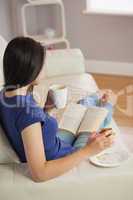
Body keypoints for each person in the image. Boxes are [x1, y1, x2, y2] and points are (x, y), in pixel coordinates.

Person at [0, 37, 114, 182]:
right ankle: (107, 103)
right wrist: (87, 151)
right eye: (42, 66)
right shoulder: (26, 112)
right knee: (103, 112)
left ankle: (94, 100)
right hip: (63, 157)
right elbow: (40, 174)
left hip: (54, 142)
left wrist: (46, 109)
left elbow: (27, 124)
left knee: (83, 107)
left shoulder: (6, 95)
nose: (44, 70)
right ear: (31, 68)